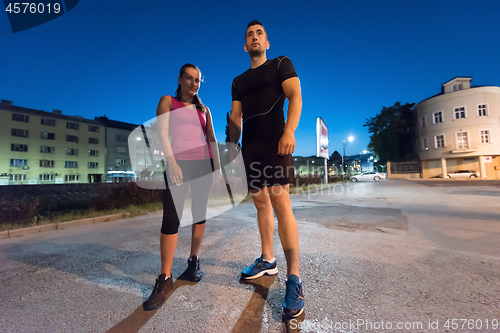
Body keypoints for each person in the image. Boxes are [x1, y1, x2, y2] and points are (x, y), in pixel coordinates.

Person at [229, 20, 304, 317]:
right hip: (251, 148)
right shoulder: (238, 81)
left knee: (280, 202)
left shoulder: (280, 63)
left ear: (267, 42)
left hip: (276, 142)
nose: (255, 37)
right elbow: (236, 118)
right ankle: (267, 259)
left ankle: (294, 278)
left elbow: (295, 96)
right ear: (245, 46)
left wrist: (290, 131)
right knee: (260, 202)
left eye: (260, 33)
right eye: (250, 34)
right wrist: (230, 141)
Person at [145, 63, 220, 310]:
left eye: (197, 80)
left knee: (199, 214)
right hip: (178, 164)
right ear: (179, 79)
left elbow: (211, 139)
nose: (193, 83)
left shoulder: (205, 109)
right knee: (171, 218)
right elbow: (162, 134)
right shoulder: (168, 101)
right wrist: (172, 163)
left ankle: (193, 261)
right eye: (189, 78)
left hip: (202, 166)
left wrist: (218, 167)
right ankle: (165, 277)